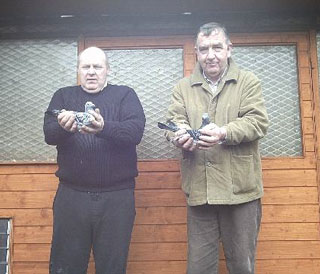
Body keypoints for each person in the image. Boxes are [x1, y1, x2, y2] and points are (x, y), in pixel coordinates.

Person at [165, 22, 269, 274]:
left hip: (240, 191)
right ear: (196, 53)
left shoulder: (247, 82)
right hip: (201, 192)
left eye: (216, 47)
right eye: (204, 49)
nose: (210, 55)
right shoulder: (183, 87)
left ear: (229, 49)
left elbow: (258, 122)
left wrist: (224, 132)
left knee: (242, 266)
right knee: (199, 268)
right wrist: (178, 136)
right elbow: (172, 123)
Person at [43, 47, 146, 274]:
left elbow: (134, 132)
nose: (91, 72)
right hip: (71, 196)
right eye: (86, 66)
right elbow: (49, 134)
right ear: (78, 70)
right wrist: (64, 128)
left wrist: (103, 127)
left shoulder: (125, 95)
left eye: (97, 67)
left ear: (107, 70)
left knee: (112, 267)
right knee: (66, 266)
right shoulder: (63, 96)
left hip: (116, 198)